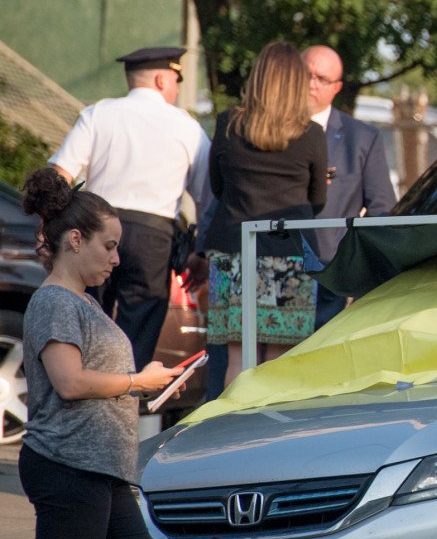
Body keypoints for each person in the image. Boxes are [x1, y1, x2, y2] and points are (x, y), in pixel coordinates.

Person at [9, 168, 194, 539]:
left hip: (103, 467)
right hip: (69, 465)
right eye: (109, 246)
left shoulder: (86, 305)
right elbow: (68, 381)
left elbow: (101, 378)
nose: (117, 258)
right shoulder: (55, 302)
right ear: (74, 240)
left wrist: (146, 386)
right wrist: (137, 380)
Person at [49, 46, 210, 371]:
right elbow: (208, 197)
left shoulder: (99, 113)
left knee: (85, 320)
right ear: (163, 80)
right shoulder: (186, 127)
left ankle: (84, 390)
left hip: (94, 229)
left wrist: (52, 230)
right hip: (153, 238)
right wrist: (201, 252)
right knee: (138, 338)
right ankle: (124, 401)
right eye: (176, 81)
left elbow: (59, 175)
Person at [204, 41, 328, 387]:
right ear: (296, 84)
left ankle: (232, 435)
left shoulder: (228, 123)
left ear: (258, 78)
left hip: (232, 253)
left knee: (237, 359)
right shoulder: (313, 134)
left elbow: (217, 187)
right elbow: (317, 199)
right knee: (279, 361)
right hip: (289, 256)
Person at [301, 44, 397, 328]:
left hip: (329, 275)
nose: (311, 84)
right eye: (306, 74)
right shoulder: (265, 131)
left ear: (337, 87)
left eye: (322, 79)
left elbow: (382, 207)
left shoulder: (362, 139)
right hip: (267, 263)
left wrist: (352, 263)